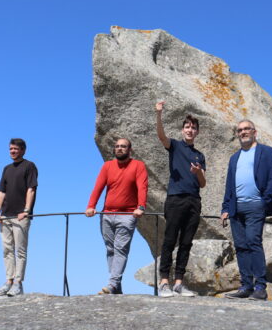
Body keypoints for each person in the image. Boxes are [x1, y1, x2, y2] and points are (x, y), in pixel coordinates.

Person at [221, 120, 272, 300]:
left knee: (253, 242)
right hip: (236, 208)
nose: (243, 132)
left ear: (254, 131)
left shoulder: (267, 152)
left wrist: (265, 201)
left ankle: (260, 287)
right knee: (240, 246)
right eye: (240, 130)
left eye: (246, 129)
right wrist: (225, 208)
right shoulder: (234, 158)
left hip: (256, 205)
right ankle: (246, 286)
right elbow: (229, 186)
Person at [155, 101, 206, 298]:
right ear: (182, 130)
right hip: (175, 198)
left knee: (186, 242)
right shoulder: (175, 146)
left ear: (197, 132)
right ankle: (164, 283)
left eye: (193, 128)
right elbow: (161, 136)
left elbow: (202, 183)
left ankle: (179, 283)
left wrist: (197, 172)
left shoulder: (200, 155)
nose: (190, 130)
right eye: (187, 127)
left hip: (194, 200)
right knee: (170, 240)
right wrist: (159, 114)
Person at [86, 138, 148, 295]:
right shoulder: (107, 166)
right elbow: (98, 187)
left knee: (120, 249)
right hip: (107, 214)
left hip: (127, 215)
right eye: (117, 146)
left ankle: (112, 283)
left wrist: (140, 207)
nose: (120, 149)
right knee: (110, 249)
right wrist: (91, 206)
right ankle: (117, 286)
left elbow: (142, 186)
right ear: (114, 150)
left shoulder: (138, 166)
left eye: (123, 146)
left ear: (129, 149)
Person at [0, 138, 38, 297]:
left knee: (20, 250)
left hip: (20, 215)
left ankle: (18, 283)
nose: (12, 151)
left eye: (16, 149)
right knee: (6, 249)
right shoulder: (6, 169)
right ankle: (9, 281)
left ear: (23, 150)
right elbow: (1, 192)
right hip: (5, 214)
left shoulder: (29, 166)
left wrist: (26, 209)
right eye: (11, 149)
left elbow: (31, 189)